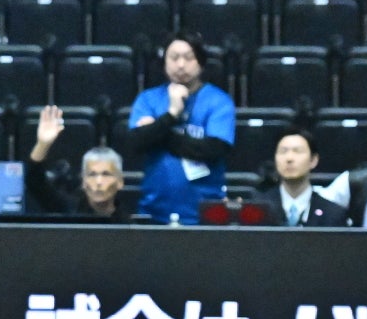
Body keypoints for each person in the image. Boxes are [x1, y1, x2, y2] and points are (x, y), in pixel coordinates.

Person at [124, 37, 236, 225]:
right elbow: (135, 143)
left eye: (189, 58)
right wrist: (172, 113)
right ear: (164, 62)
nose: (181, 65)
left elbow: (213, 149)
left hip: (205, 214)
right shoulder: (148, 99)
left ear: (200, 62)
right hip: (154, 211)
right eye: (174, 58)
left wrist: (158, 131)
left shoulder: (218, 101)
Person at [25, 106, 127, 220]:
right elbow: (35, 182)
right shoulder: (69, 210)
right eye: (92, 174)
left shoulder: (129, 225)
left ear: (120, 181)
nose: (98, 182)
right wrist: (43, 144)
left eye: (106, 174)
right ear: (83, 181)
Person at [253, 127, 350, 227]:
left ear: (313, 160)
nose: (289, 158)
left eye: (297, 151)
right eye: (283, 151)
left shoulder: (333, 213)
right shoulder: (257, 208)